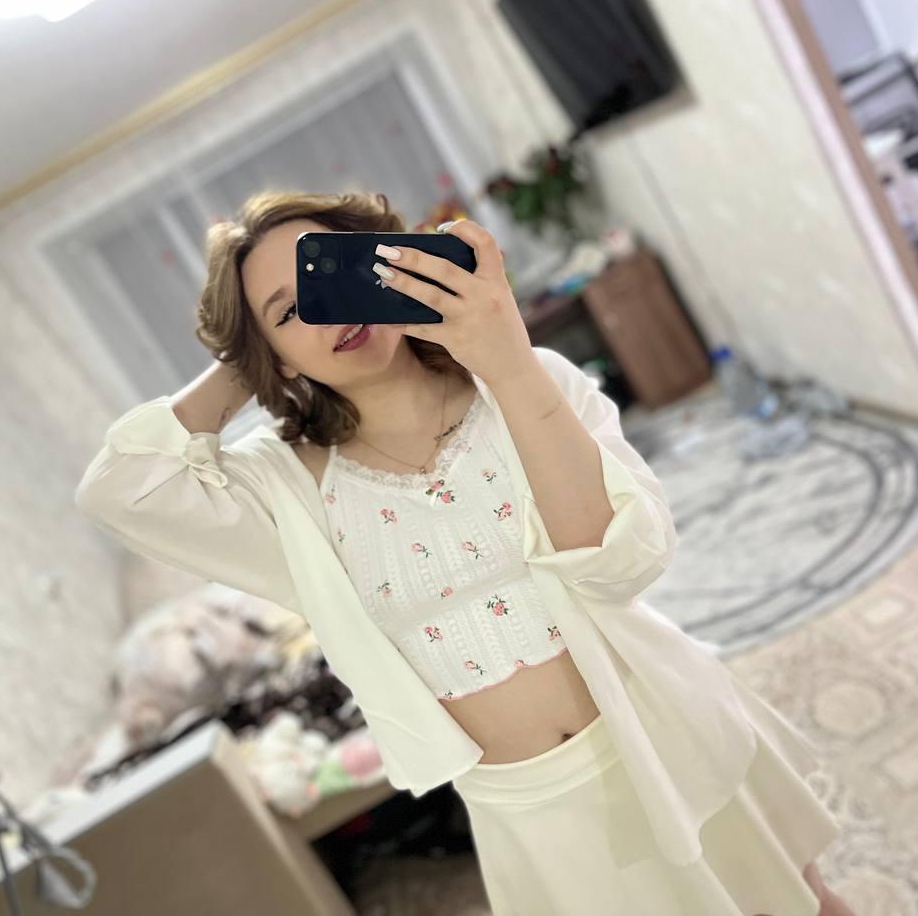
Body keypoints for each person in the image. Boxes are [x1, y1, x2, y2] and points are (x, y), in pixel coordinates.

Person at [75, 190, 855, 915]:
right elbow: (118, 488)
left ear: (383, 259)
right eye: (292, 308)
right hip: (531, 807)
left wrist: (508, 362)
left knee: (804, 902)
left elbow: (621, 562)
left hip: (664, 720)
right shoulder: (284, 488)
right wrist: (255, 353)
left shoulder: (528, 381)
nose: (324, 305)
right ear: (272, 358)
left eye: (331, 269)